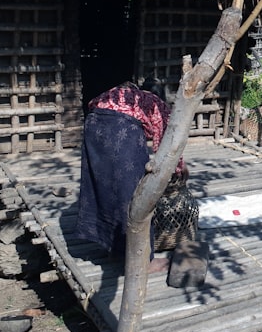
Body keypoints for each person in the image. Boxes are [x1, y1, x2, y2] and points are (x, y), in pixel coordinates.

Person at [76, 77, 183, 271]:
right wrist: (178, 170)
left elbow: (93, 104)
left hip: (92, 124)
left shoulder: (124, 94)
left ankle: (112, 247)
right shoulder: (156, 103)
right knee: (134, 194)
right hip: (120, 129)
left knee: (104, 187)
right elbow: (169, 147)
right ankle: (144, 261)